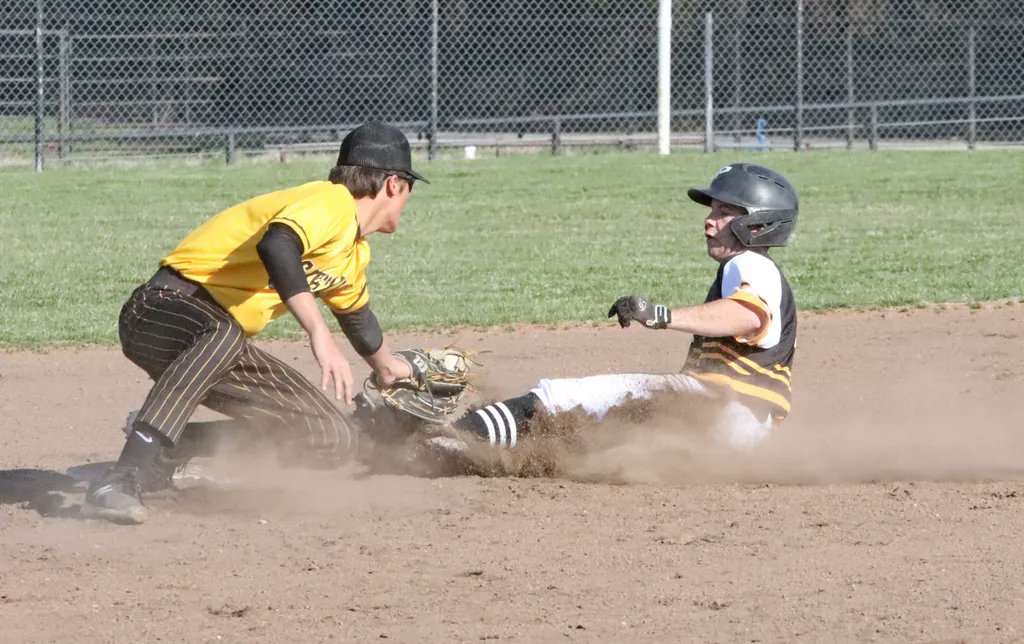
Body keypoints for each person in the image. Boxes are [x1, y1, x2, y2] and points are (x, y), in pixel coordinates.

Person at [82, 121, 427, 524]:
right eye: (409, 190)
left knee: (332, 434)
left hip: (214, 347)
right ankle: (122, 477)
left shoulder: (353, 253)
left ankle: (171, 449)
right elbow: (277, 244)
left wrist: (398, 371)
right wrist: (319, 333)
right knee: (224, 334)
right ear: (393, 185)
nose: (407, 201)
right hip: (163, 309)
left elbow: (359, 321)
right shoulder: (330, 201)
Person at [432, 162, 798, 457]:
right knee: (601, 432)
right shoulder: (753, 268)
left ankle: (450, 442)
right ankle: (500, 453)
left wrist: (660, 315)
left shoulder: (750, 264)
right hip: (742, 427)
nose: (709, 220)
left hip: (718, 406)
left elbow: (748, 315)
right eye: (712, 211)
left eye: (724, 212)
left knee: (558, 399)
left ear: (757, 223)